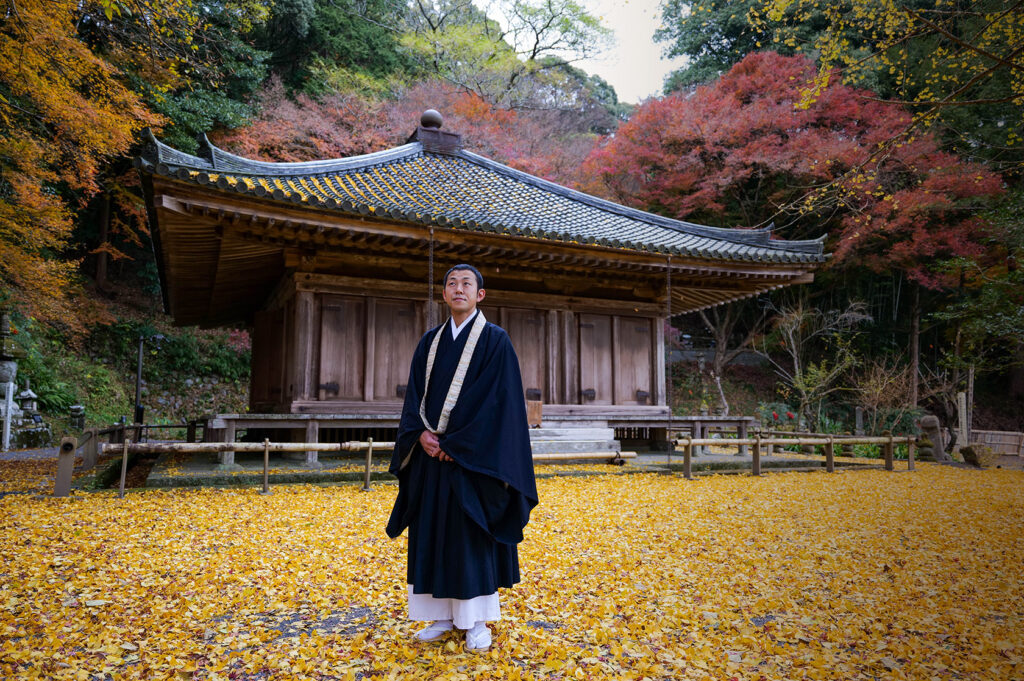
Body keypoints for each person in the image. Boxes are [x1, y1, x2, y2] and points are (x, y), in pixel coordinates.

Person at [386, 264, 538, 653]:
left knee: (470, 537)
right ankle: (440, 615)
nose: (458, 289)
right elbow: (413, 398)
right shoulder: (430, 342)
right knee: (435, 534)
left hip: (473, 462)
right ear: (444, 294)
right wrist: (418, 436)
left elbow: (498, 406)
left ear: (480, 295)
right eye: (451, 284)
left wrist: (457, 445)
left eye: (466, 284)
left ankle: (475, 621)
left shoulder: (496, 341)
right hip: (431, 459)